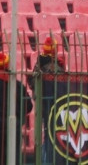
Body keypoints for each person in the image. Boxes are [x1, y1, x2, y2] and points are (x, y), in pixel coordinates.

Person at [28, 37, 65, 165]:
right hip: (54, 105)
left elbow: (32, 83)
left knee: (46, 135)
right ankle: (47, 161)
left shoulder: (39, 64)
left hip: (42, 104)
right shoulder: (54, 67)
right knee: (52, 137)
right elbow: (62, 86)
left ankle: (44, 160)